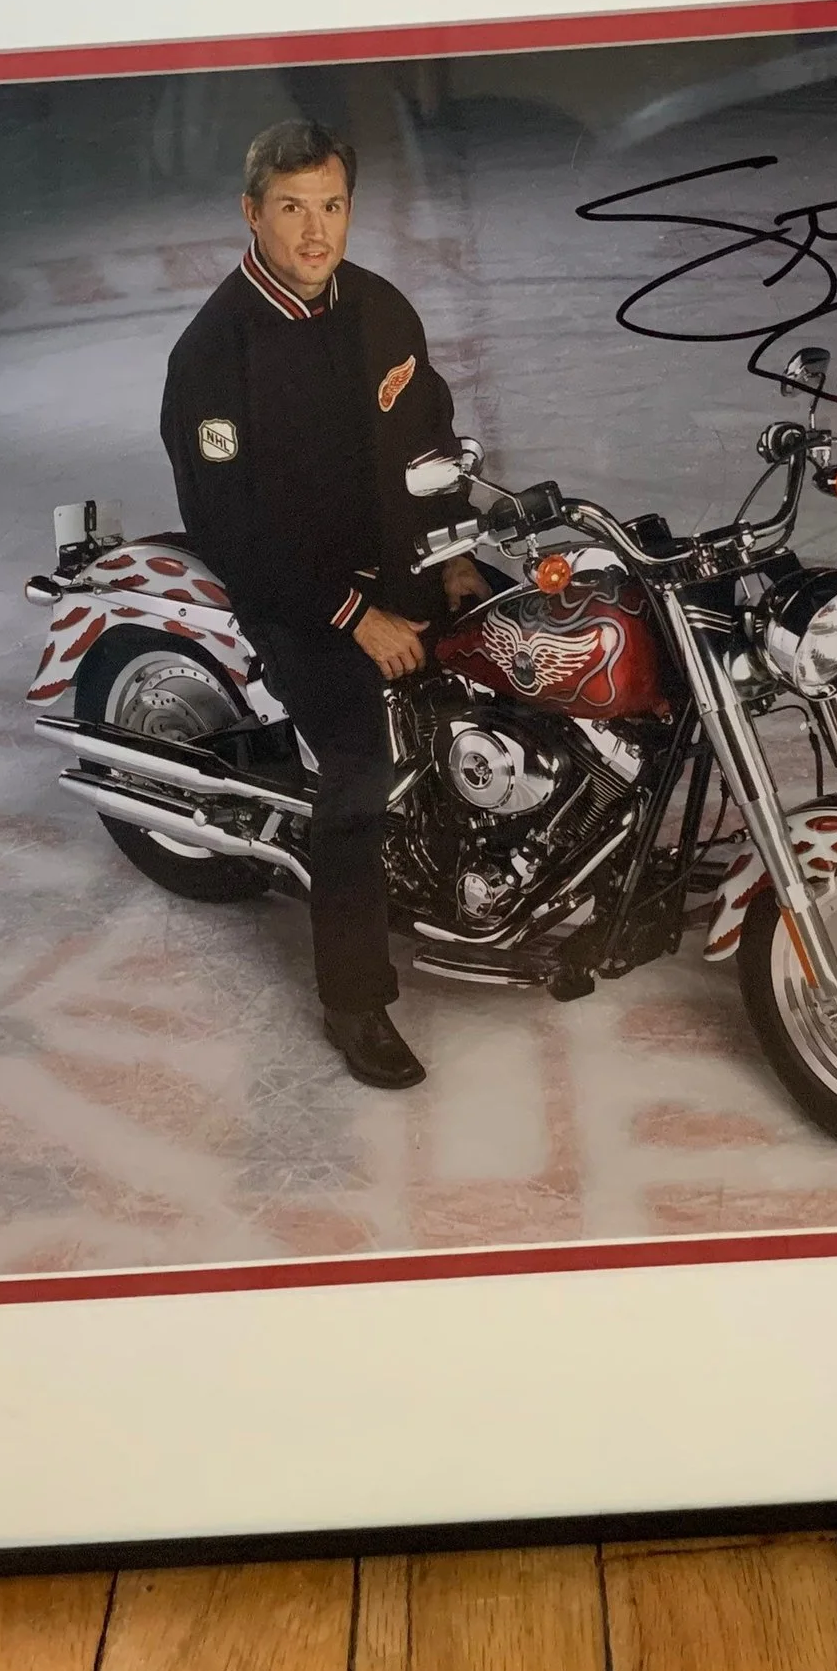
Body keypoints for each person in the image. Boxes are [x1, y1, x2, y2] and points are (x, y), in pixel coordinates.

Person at [159, 120, 489, 1088]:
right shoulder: (212, 355)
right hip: (296, 599)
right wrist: (355, 619)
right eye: (292, 208)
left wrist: (458, 556)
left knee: (528, 652)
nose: (315, 232)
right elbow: (232, 532)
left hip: (406, 564)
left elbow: (431, 436)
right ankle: (355, 997)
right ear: (251, 212)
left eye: (332, 206)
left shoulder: (382, 308)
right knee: (357, 767)